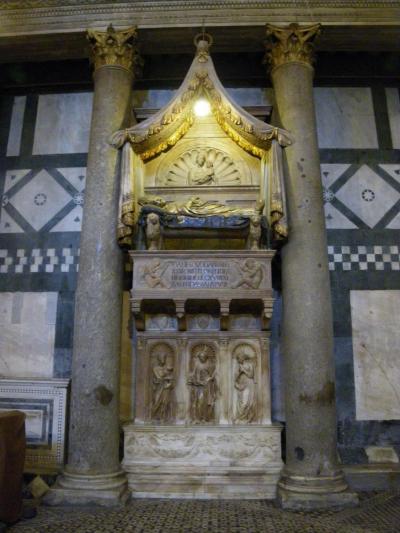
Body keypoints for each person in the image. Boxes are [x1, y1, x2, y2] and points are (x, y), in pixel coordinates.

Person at [187, 345, 218, 422]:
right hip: (199, 386)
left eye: (203, 357)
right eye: (200, 357)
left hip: (208, 386)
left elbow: (213, 376)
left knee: (208, 403)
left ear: (206, 357)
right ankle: (198, 418)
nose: (202, 358)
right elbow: (193, 374)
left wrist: (209, 379)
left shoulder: (209, 365)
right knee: (199, 402)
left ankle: (206, 418)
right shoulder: (197, 365)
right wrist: (193, 379)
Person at [151, 346, 175, 421]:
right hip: (159, 388)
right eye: (161, 358)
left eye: (164, 358)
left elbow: (171, 378)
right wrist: (167, 374)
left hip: (166, 388)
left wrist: (169, 379)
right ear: (159, 359)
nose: (163, 360)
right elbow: (159, 377)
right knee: (157, 402)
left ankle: (163, 417)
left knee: (165, 403)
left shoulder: (166, 368)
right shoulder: (155, 368)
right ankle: (154, 416)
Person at [234, 350, 257, 422]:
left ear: (242, 358)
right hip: (241, 385)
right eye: (237, 359)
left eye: (238, 358)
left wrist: (243, 370)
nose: (238, 360)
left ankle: (244, 418)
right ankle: (241, 418)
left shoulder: (250, 364)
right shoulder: (239, 366)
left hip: (248, 384)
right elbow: (236, 377)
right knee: (241, 402)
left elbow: (251, 375)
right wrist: (237, 380)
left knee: (246, 402)